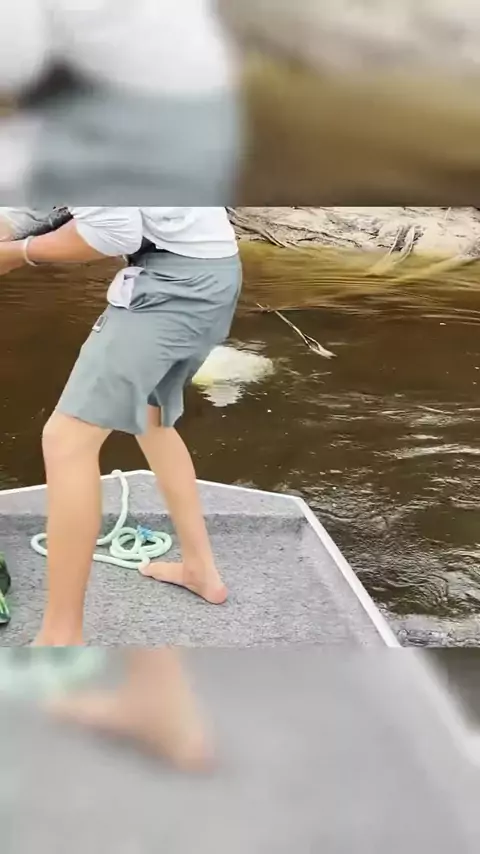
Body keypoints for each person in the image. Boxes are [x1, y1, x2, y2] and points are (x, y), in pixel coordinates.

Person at [0, 206, 242, 647]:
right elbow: (43, 200)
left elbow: (113, 232)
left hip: (172, 288)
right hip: (213, 274)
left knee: (66, 440)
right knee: (152, 418)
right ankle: (199, 569)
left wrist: (21, 253)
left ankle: (59, 643)